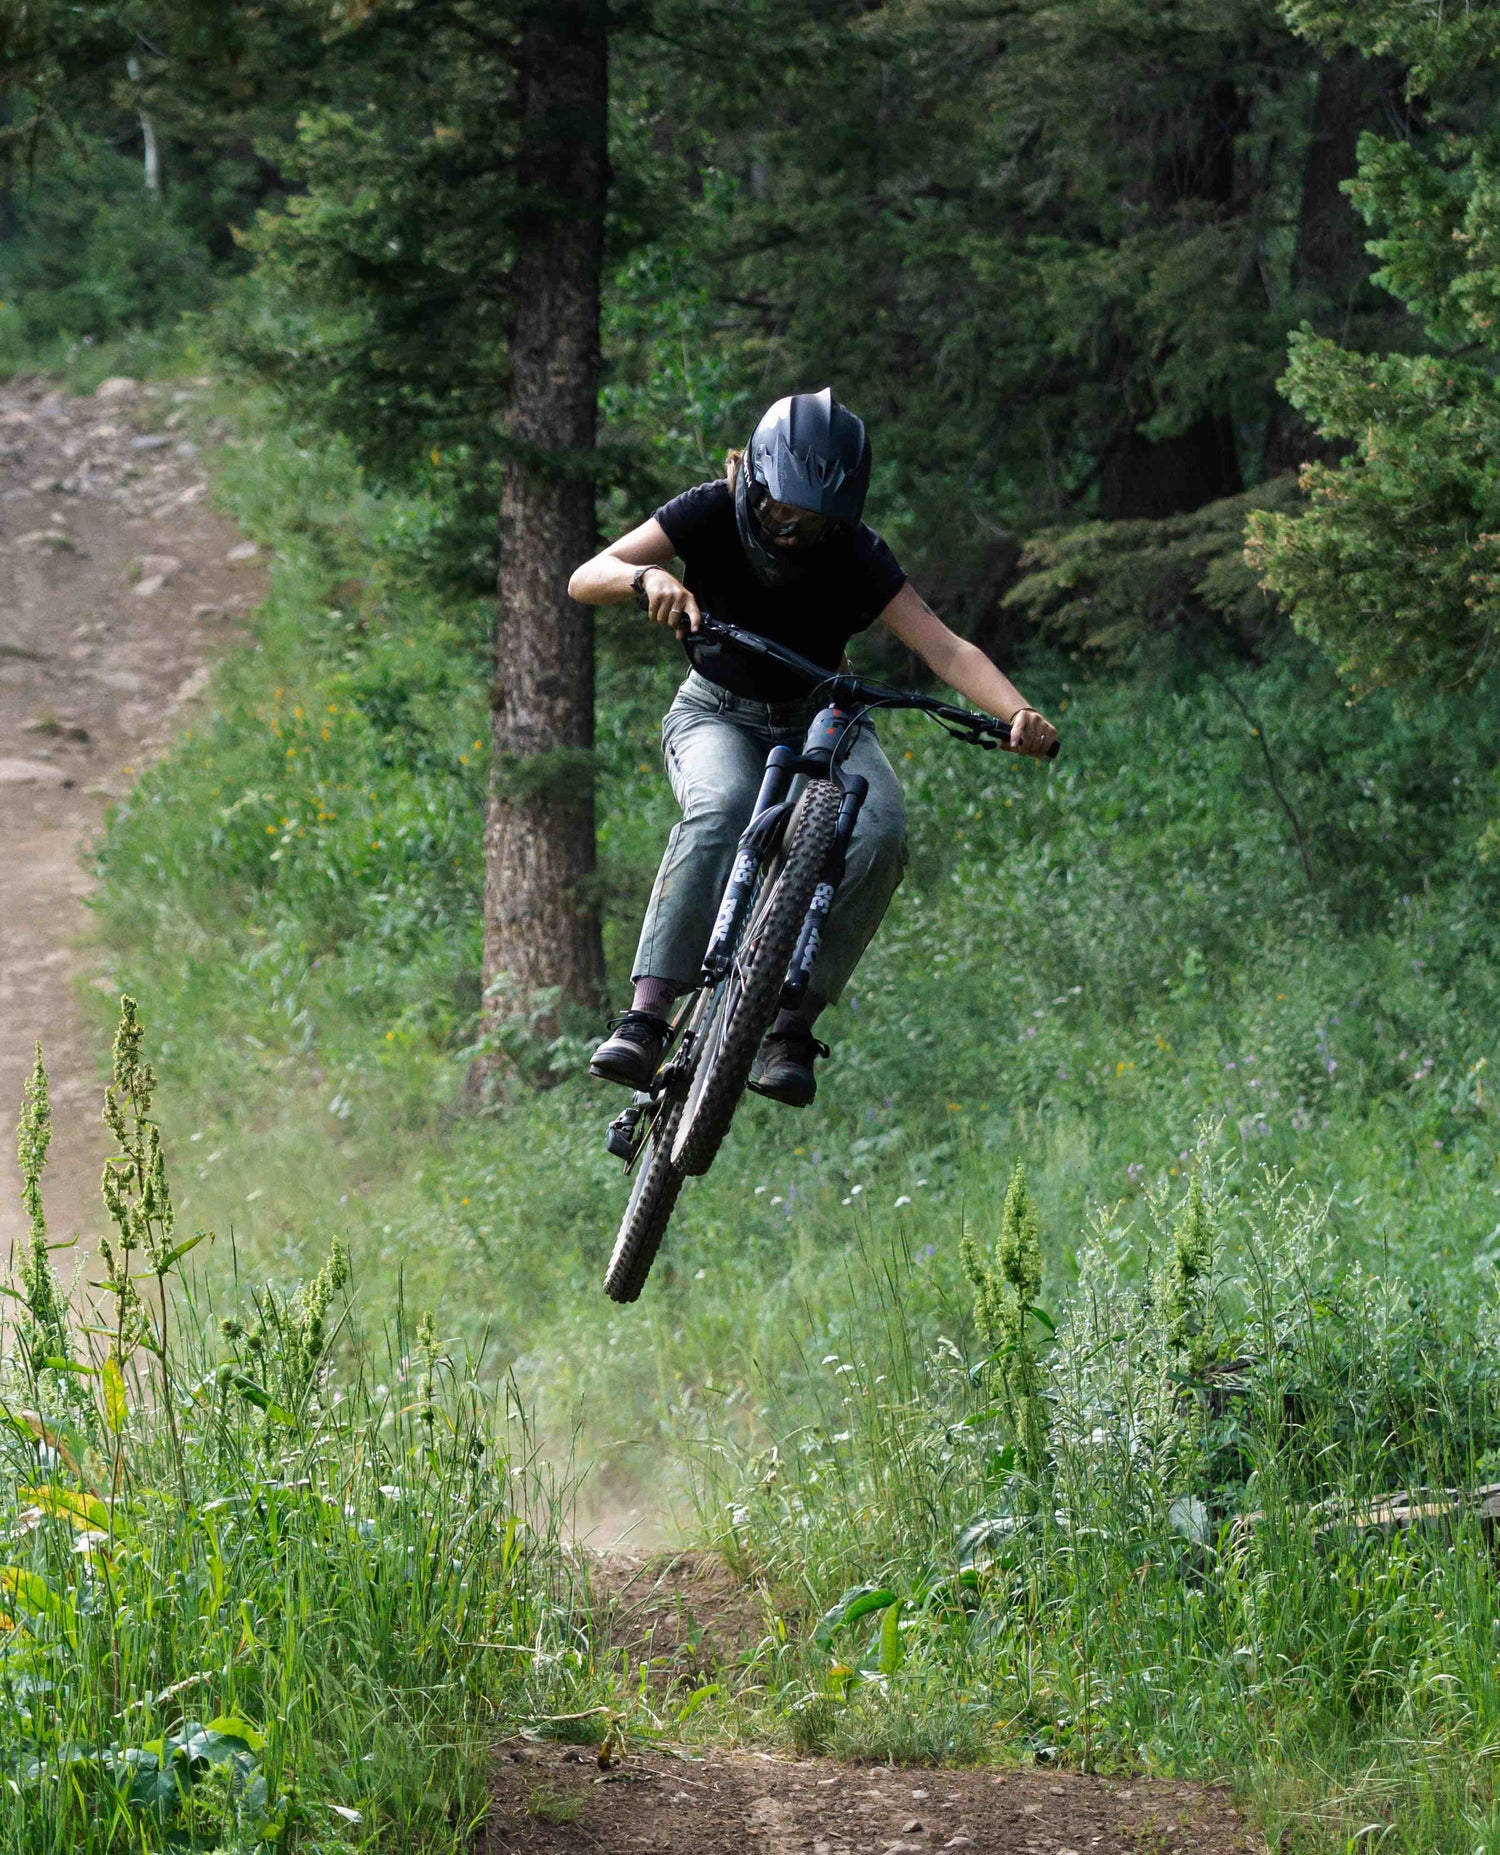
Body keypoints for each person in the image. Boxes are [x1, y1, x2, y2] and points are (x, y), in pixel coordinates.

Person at [568, 388, 1057, 1107]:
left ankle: (791, 1026)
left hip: (826, 716)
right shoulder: (707, 510)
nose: (794, 535)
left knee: (881, 830)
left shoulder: (857, 555)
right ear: (756, 483)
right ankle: (647, 1015)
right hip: (717, 712)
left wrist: (1019, 713)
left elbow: (946, 649)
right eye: (780, 514)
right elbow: (587, 576)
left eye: (818, 524)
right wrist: (647, 578)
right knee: (722, 805)